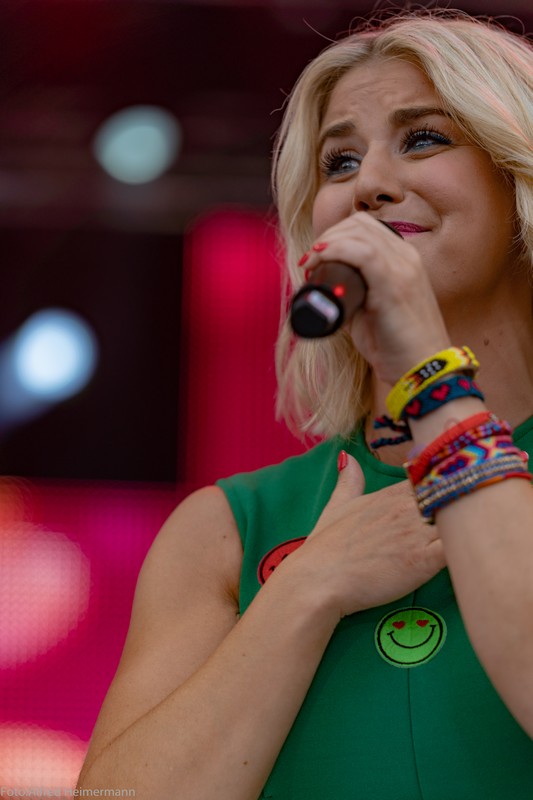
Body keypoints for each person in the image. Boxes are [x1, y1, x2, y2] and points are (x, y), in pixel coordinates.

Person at [78, 9, 533, 799]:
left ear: (516, 178)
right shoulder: (229, 527)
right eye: (339, 161)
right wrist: (308, 587)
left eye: (424, 138)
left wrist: (428, 376)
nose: (368, 185)